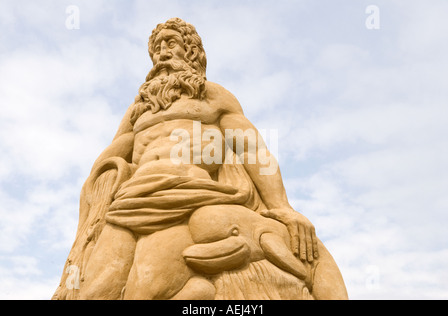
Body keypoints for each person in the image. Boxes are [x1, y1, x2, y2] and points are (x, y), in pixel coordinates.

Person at [53, 18, 347, 300]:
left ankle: (196, 292)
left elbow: (253, 150)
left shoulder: (213, 96)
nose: (162, 54)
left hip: (191, 192)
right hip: (130, 202)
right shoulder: (139, 109)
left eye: (170, 44)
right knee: (95, 292)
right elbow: (108, 160)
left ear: (191, 51)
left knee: (146, 287)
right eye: (156, 50)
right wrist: (91, 210)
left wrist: (282, 208)